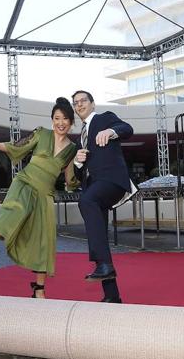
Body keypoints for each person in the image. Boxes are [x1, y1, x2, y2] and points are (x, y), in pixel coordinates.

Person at [0, 98, 77, 299]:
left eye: (65, 119)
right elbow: (15, 147)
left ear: (71, 122)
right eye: (57, 118)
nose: (61, 123)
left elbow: (70, 181)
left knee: (44, 241)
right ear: (52, 120)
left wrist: (81, 166)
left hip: (45, 196)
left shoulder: (72, 150)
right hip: (25, 183)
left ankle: (39, 289)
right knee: (13, 213)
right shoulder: (42, 133)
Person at [72, 90, 134, 304]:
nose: (79, 105)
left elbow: (127, 129)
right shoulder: (80, 136)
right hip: (95, 186)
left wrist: (110, 131)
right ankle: (112, 295)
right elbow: (80, 175)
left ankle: (103, 266)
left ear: (92, 103)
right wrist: (78, 163)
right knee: (101, 240)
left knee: (86, 201)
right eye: (76, 103)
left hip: (111, 181)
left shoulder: (103, 118)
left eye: (83, 101)